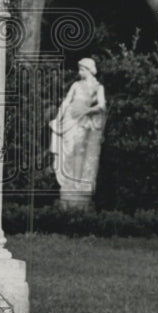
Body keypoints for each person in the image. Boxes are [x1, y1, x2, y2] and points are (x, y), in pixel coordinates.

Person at [49, 57, 107, 207]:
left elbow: (102, 106)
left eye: (81, 69)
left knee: (79, 151)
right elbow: (66, 102)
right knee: (67, 152)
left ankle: (77, 182)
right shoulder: (76, 85)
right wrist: (57, 119)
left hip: (83, 120)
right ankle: (69, 183)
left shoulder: (97, 87)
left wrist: (86, 110)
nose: (79, 72)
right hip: (69, 119)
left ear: (88, 70)